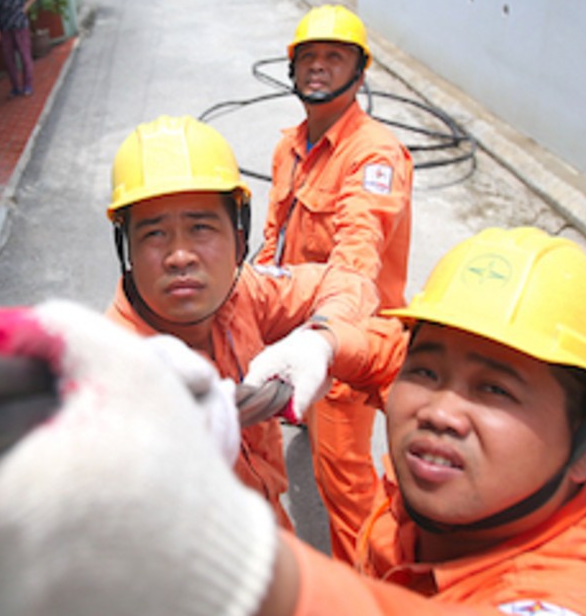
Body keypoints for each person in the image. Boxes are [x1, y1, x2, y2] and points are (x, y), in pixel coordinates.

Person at [0, 227, 586, 616]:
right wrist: (323, 349)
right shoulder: (470, 498)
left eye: (497, 391)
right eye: (428, 371)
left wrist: (217, 548)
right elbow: (382, 353)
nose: (439, 411)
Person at [102, 115, 402, 526]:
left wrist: (321, 338)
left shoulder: (242, 293)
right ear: (128, 251)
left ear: (239, 240)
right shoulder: (114, 368)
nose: (180, 255)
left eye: (200, 228)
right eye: (154, 234)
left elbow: (347, 280)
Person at [255, 3, 413, 562]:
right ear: (293, 69)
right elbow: (274, 238)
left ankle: (366, 590)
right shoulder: (289, 147)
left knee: (346, 489)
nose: (319, 67)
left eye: (334, 56)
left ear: (359, 72)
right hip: (298, 334)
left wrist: (325, 336)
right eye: (309, 57)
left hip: (346, 345)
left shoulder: (373, 154)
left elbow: (357, 255)